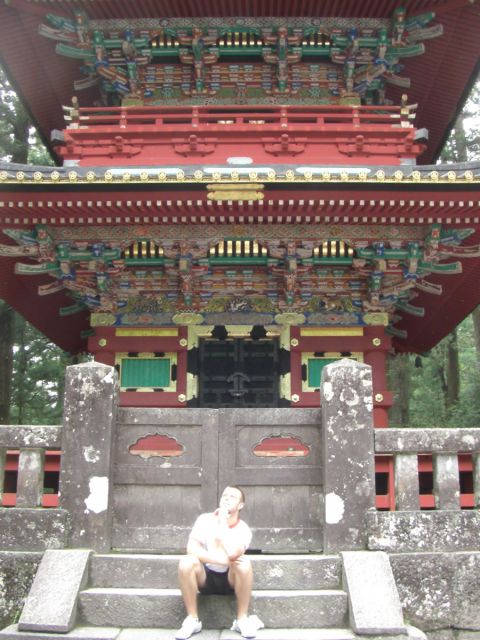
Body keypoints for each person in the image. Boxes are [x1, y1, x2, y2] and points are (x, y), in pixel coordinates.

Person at [176, 486, 261, 639]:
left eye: (232, 497)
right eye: (224, 495)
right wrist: (221, 561)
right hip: (206, 577)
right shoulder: (205, 520)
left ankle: (241, 620)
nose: (227, 498)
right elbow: (192, 548)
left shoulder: (243, 529)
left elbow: (234, 553)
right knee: (186, 562)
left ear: (240, 505)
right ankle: (192, 620)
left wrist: (223, 522)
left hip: (231, 580)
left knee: (243, 564)